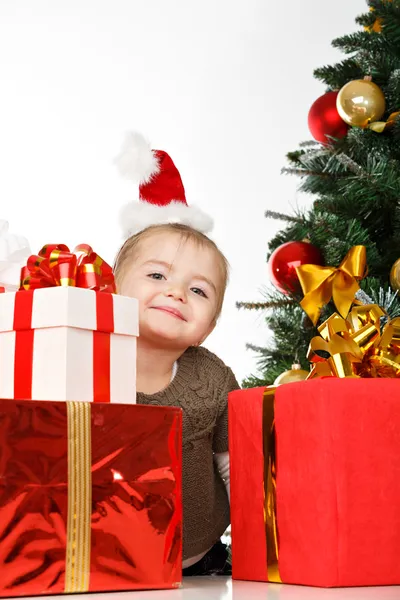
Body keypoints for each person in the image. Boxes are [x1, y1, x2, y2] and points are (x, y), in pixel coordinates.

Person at [113, 133, 240, 575]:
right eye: (156, 274)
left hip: (200, 557)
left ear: (210, 325)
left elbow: (235, 469)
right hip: (109, 556)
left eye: (199, 289)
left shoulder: (213, 379)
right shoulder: (87, 362)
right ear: (114, 289)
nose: (176, 292)